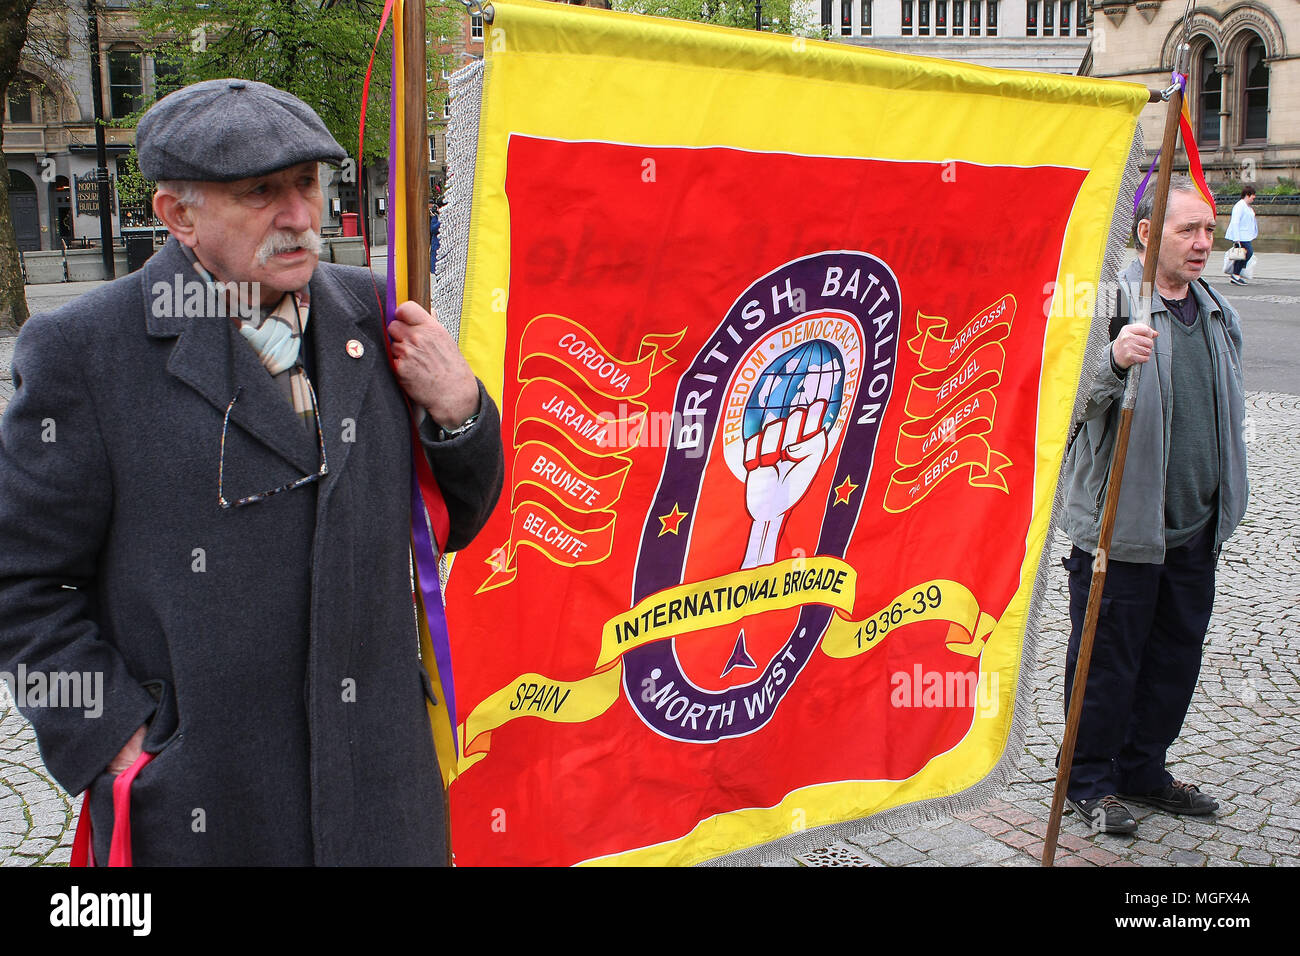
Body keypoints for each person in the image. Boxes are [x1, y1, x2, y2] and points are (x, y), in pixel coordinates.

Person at [0, 79, 504, 865]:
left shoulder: (373, 312)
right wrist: (113, 739)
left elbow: (456, 520)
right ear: (178, 216)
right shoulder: (85, 353)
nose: (301, 215)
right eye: (259, 192)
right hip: (209, 805)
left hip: (381, 792)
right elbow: (19, 584)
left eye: (305, 183)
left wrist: (458, 412)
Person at [1059, 175, 1248, 834]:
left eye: (1208, 229)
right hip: (1123, 529)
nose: (1204, 242)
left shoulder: (1217, 309)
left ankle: (1143, 769)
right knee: (1107, 663)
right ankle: (1086, 778)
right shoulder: (1113, 302)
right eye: (1188, 230)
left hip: (1196, 530)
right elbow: (1067, 406)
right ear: (1147, 234)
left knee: (1173, 661)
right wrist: (1112, 360)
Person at [1225, 184, 1258, 286]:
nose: (1254, 198)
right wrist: (1237, 238)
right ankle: (1236, 274)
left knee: (1243, 255)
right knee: (1247, 253)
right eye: (1252, 196)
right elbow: (1235, 222)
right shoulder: (1239, 206)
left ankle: (1236, 274)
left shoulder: (1247, 207)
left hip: (1246, 235)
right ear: (1247, 195)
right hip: (1241, 236)